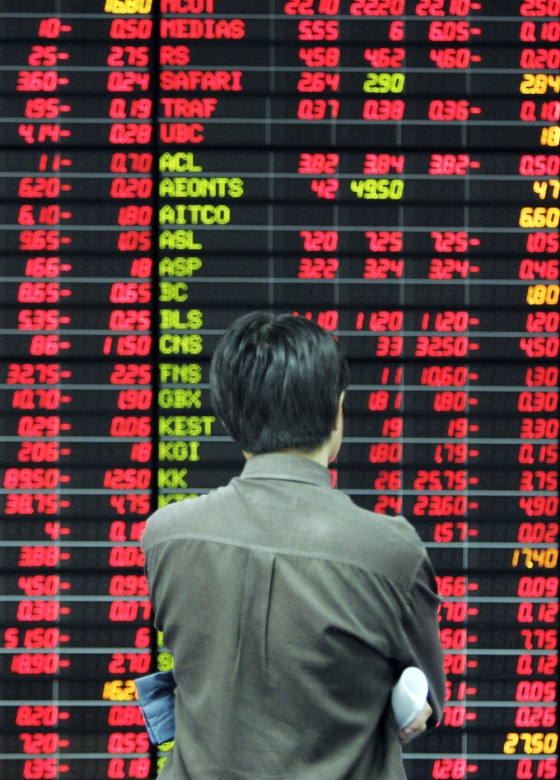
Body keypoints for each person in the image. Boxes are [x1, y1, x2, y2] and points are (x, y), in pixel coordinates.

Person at [142, 311, 445, 779]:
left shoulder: (166, 535)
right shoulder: (391, 552)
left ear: (227, 414)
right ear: (338, 411)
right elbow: (423, 702)